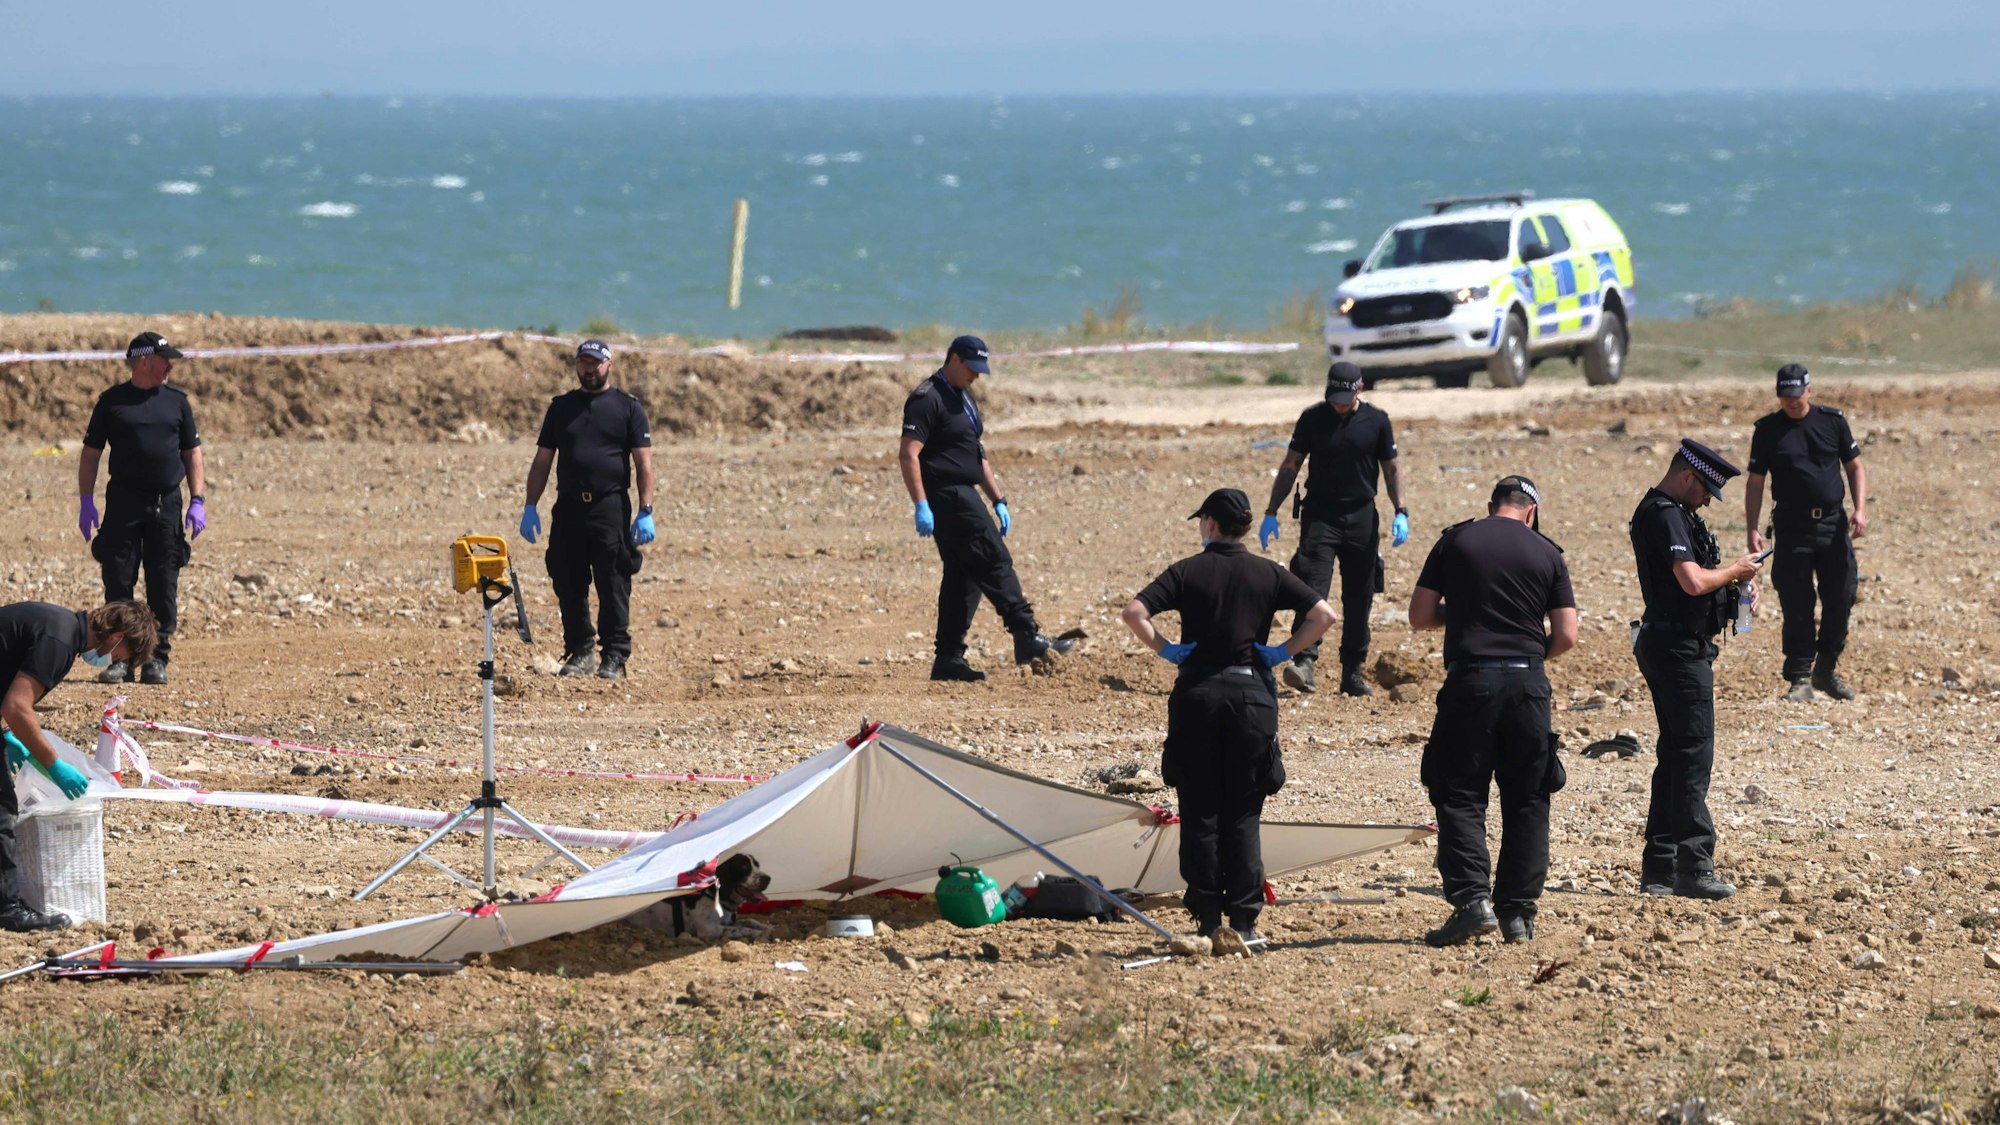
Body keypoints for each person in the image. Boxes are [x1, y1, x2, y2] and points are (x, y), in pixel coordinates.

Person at [1121, 488, 1335, 944]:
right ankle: (1244, 920)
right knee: (1243, 810)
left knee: (1199, 809)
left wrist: (1165, 648)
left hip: (1198, 692)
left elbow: (1134, 612)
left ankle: (1206, 919)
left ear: (1211, 524)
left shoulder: (1186, 571)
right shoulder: (1268, 572)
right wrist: (1281, 651)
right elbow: (1323, 614)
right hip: (1250, 696)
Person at [1407, 476, 1577, 946]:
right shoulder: (1548, 553)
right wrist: (1527, 653)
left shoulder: (1456, 539)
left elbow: (1419, 616)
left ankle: (1471, 902)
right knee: (1528, 797)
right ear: (1530, 512)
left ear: (1491, 506)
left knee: (1459, 793)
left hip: (1470, 681)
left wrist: (1463, 613)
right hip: (1527, 682)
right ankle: (1518, 914)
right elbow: (1566, 636)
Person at [1629, 440, 1764, 900]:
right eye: (1706, 489)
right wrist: (1733, 572)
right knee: (1692, 757)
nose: (1708, 500)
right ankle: (1693, 864)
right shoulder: (1664, 513)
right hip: (1677, 649)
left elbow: (1696, 581)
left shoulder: (1673, 512)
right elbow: (1691, 581)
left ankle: (1661, 868)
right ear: (1687, 476)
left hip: (1676, 643)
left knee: (1676, 756)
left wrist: (1735, 590)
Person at [899, 335, 1072, 682]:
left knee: (964, 576)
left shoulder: (964, 399)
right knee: (994, 558)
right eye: (972, 369)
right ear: (954, 359)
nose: (977, 376)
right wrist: (921, 504)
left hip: (965, 491)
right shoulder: (926, 398)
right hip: (947, 495)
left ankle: (948, 659)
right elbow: (908, 453)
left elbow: (978, 455)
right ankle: (1027, 636)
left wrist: (999, 499)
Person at [0, 599, 157, 931]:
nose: (114, 661)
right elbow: (17, 705)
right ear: (115, 635)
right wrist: (54, 764)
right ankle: (8, 909)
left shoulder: (60, 628)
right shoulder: (58, 640)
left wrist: (5, 736)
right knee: (2, 808)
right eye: (120, 655)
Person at [1259, 361, 1409, 696]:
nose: (1338, 404)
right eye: (1333, 397)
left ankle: (1352, 674)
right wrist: (1271, 511)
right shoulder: (1312, 418)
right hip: (1319, 516)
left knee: (1360, 597)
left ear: (1360, 389)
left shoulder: (1377, 421)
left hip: (1361, 517)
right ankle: (1304, 662)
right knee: (1311, 590)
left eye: (1345, 397)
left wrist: (1401, 510)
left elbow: (1392, 469)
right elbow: (1291, 465)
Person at [519, 340, 656, 682]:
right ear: (576, 365)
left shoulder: (628, 408)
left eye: (595, 363)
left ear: (609, 365)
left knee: (613, 580)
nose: (589, 369)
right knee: (567, 578)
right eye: (583, 363)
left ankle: (614, 655)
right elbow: (542, 461)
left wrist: (646, 510)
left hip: (609, 505)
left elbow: (644, 463)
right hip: (568, 507)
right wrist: (530, 506)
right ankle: (580, 651)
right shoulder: (561, 408)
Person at [77, 331, 205, 686]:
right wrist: (86, 501)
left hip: (166, 505)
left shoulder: (177, 403)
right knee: (119, 581)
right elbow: (91, 453)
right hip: (123, 504)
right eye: (166, 360)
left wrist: (197, 500)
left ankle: (156, 657)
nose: (170, 367)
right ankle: (120, 658)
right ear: (145, 361)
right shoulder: (111, 402)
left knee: (163, 581)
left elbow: (191, 452)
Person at [1745, 363, 1867, 702]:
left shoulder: (1832, 422)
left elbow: (1854, 466)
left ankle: (1825, 669)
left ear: (1809, 391)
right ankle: (1800, 677)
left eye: (1796, 395)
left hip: (1832, 523)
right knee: (1797, 601)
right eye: (1785, 396)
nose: (1791, 401)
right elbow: (1756, 482)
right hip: (1791, 525)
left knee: (1841, 595)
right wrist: (1752, 528)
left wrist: (1859, 510)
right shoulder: (1768, 430)